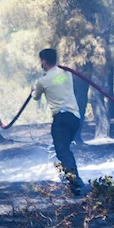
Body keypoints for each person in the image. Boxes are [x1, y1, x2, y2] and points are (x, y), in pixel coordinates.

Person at [31, 48, 83, 192]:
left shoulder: (43, 81)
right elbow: (57, 82)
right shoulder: (66, 74)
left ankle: (75, 181)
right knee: (65, 150)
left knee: (62, 151)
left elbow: (35, 96)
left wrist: (34, 88)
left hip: (61, 119)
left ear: (43, 61)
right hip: (75, 118)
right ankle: (73, 180)